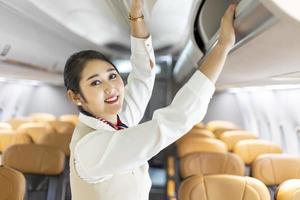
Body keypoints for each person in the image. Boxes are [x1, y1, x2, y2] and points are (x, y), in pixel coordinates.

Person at [63, 0, 236, 199]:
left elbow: (143, 74)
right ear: (75, 96)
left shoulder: (119, 119)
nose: (110, 88)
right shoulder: (89, 149)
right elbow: (174, 121)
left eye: (112, 76)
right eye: (95, 83)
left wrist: (136, 16)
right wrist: (221, 47)